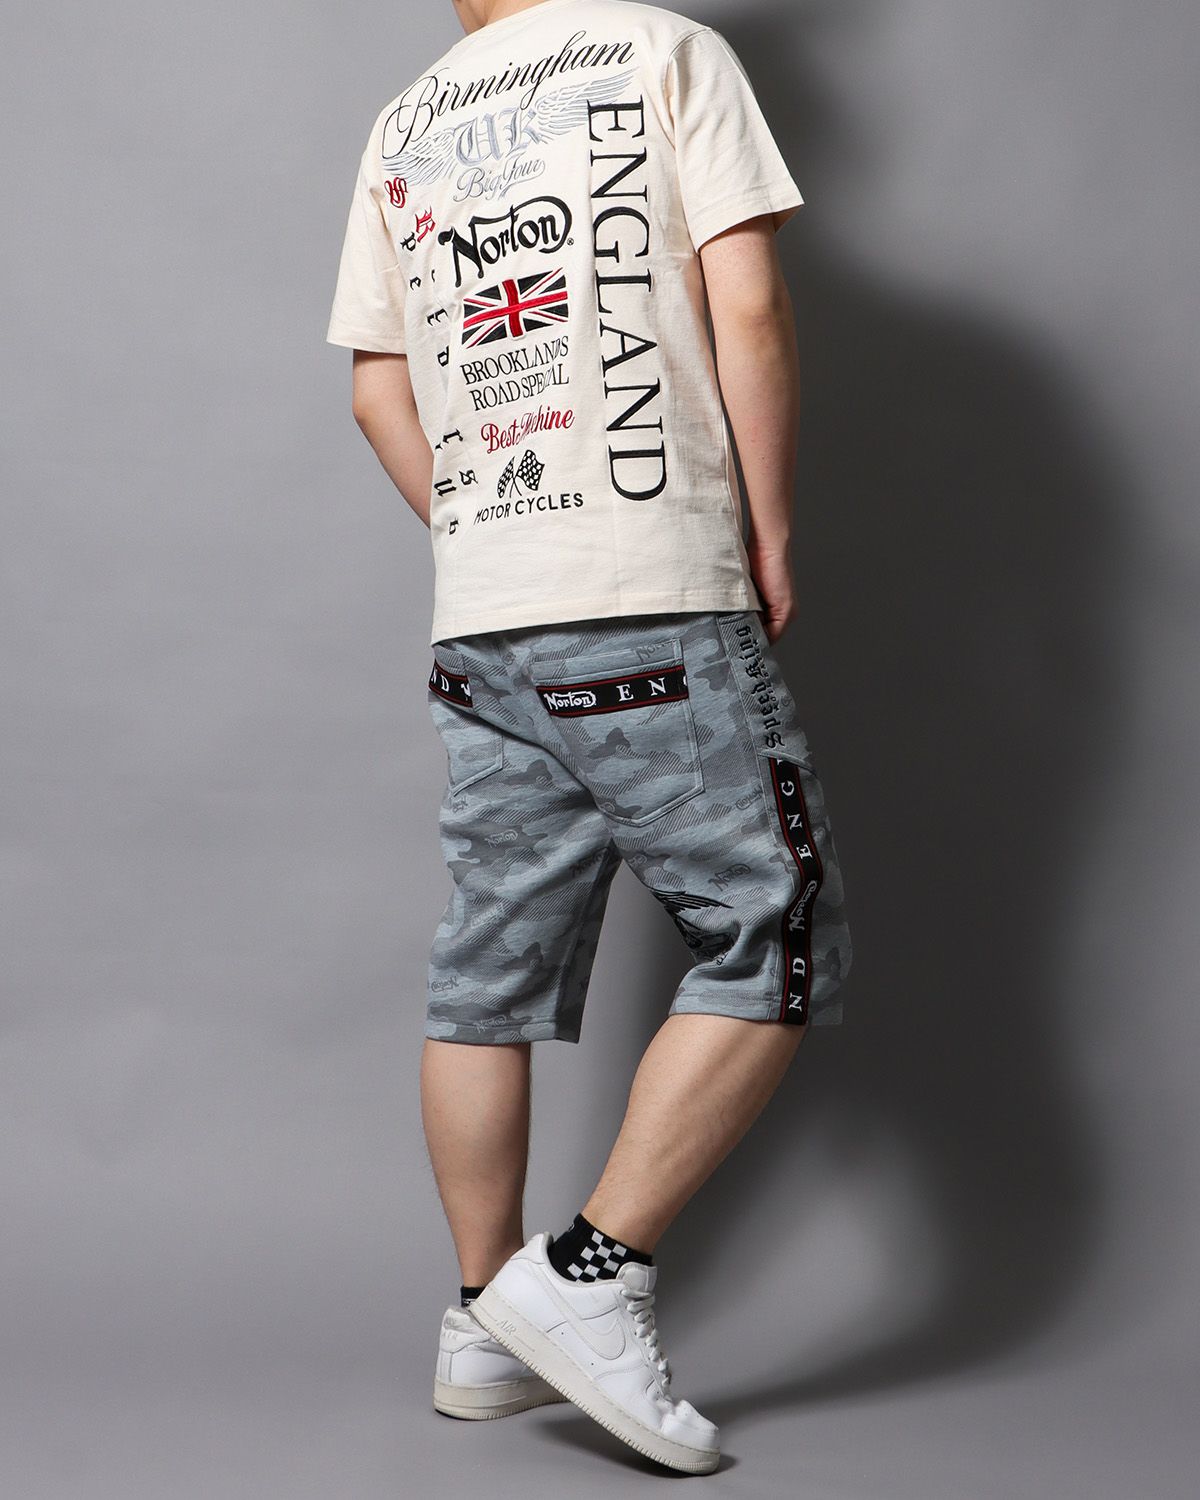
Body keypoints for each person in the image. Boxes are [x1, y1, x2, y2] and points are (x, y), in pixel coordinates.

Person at [327, 0, 852, 1474]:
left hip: (485, 615)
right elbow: (746, 308)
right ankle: (588, 1274)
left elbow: (377, 388)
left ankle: (481, 1326)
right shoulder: (666, 51)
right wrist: (764, 528)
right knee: (777, 930)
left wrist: (488, 542)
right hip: (648, 588)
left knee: (488, 967)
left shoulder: (405, 119)